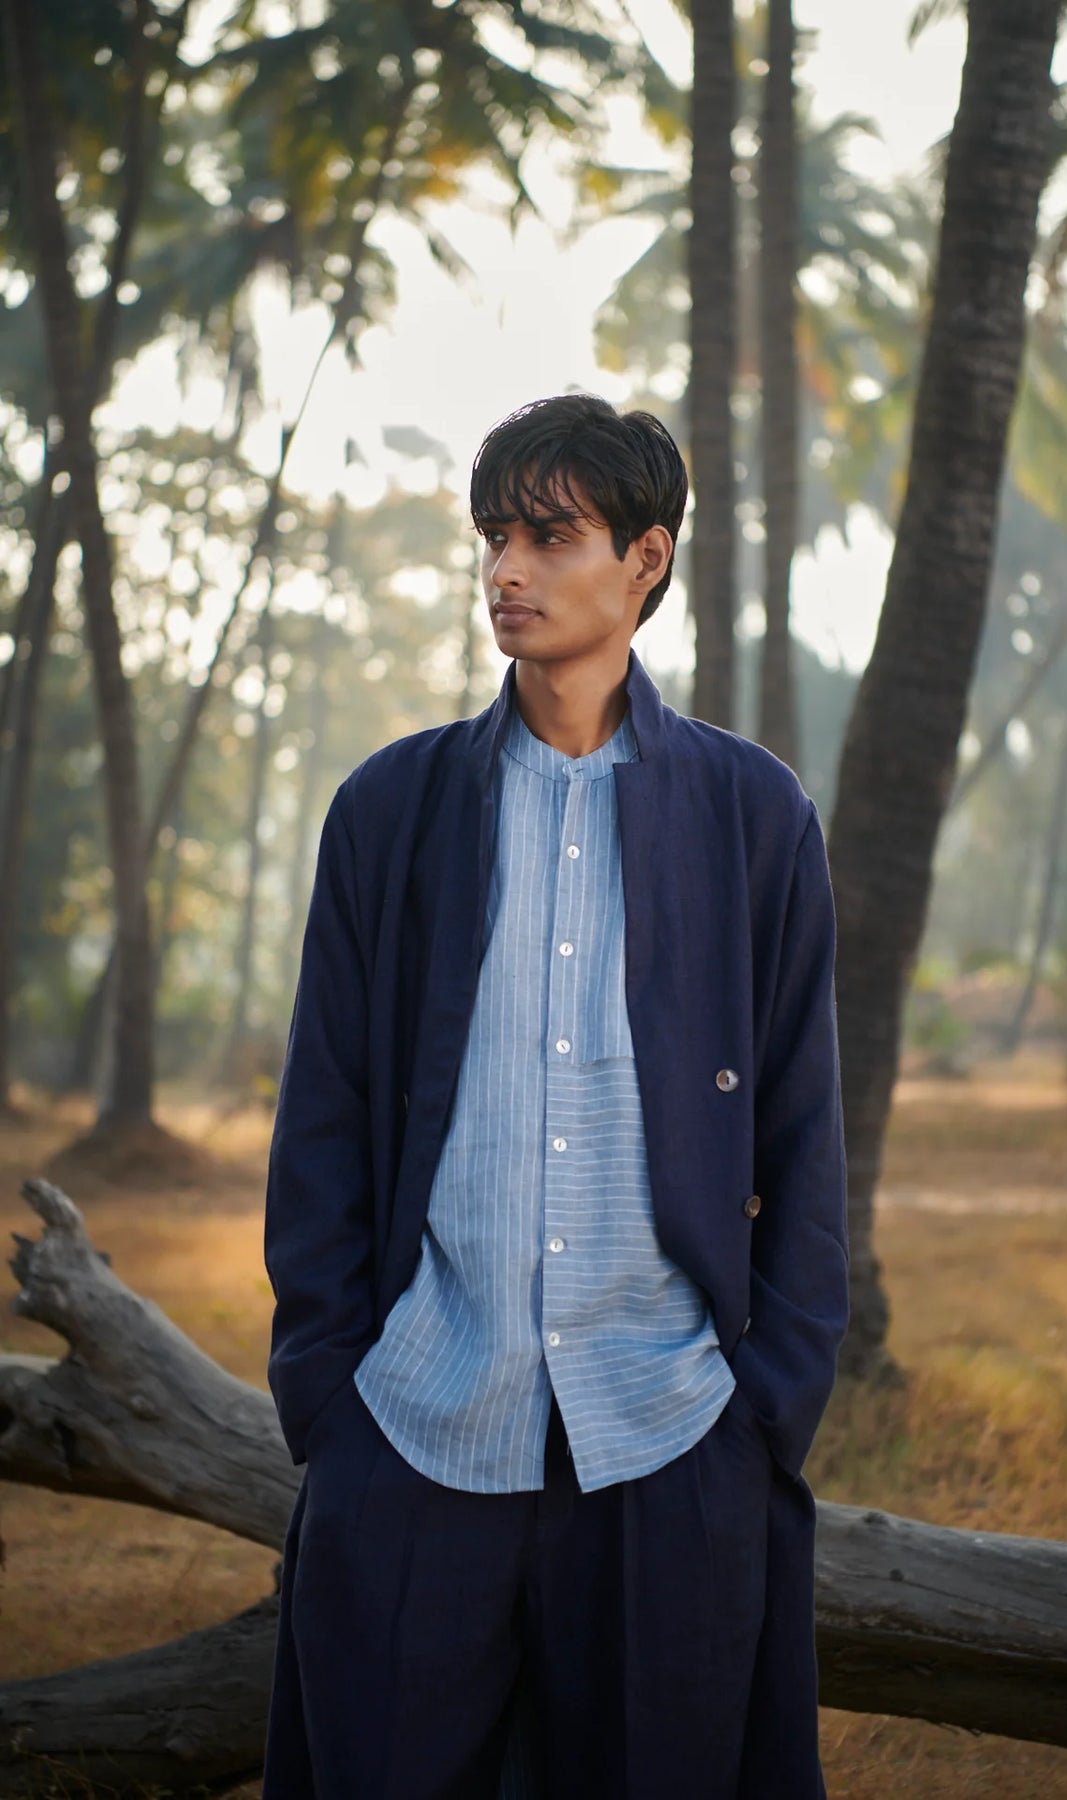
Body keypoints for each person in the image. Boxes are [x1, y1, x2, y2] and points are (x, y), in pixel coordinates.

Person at [261, 393, 849, 1800]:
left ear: (645, 558)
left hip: (669, 1430)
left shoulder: (752, 816)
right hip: (416, 1421)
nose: (506, 570)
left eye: (549, 536)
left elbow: (799, 1131)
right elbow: (324, 1117)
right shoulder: (391, 810)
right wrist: (328, 1391)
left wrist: (764, 1407)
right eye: (493, 538)